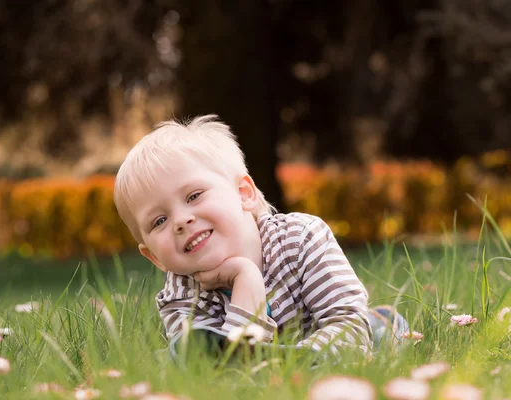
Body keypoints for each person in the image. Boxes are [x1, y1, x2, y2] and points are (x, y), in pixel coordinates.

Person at [113, 115, 407, 359]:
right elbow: (225, 365)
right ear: (153, 257)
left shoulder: (301, 239)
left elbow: (347, 329)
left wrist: (286, 361)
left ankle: (382, 320)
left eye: (194, 195)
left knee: (374, 333)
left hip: (323, 342)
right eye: (159, 221)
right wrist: (246, 279)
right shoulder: (180, 295)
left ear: (244, 193)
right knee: (181, 353)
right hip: (293, 357)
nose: (180, 220)